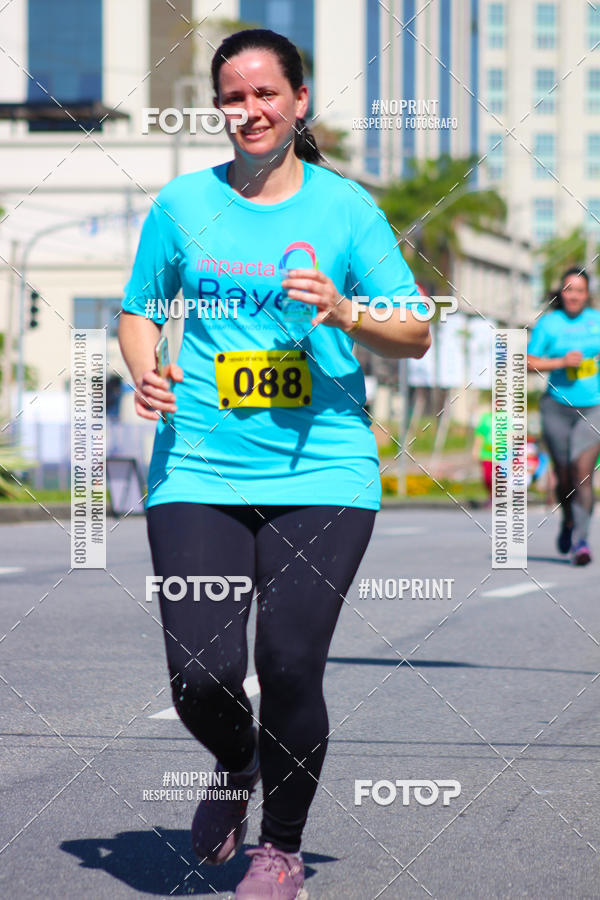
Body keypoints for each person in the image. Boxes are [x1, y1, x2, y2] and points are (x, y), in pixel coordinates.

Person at [118, 28, 430, 899]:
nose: (248, 111)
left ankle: (282, 848)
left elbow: (414, 330)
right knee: (201, 675)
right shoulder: (183, 204)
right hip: (199, 471)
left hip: (324, 471)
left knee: (291, 665)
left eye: (265, 94)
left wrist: (343, 309)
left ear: (298, 103)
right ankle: (235, 761)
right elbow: (140, 311)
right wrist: (145, 368)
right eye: (231, 97)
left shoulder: (346, 210)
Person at [527, 267, 600, 565]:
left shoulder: (596, 321)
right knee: (564, 474)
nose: (574, 295)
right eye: (569, 289)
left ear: (587, 294)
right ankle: (568, 520)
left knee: (582, 472)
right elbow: (527, 361)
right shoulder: (548, 324)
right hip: (556, 407)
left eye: (579, 290)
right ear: (561, 293)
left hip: (594, 407)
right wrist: (560, 361)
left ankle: (581, 542)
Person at [472, 409, 494, 506]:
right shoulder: (486, 418)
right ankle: (492, 496)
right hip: (487, 454)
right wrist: (476, 450)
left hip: (502, 455)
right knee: (487, 478)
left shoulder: (508, 418)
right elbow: (480, 435)